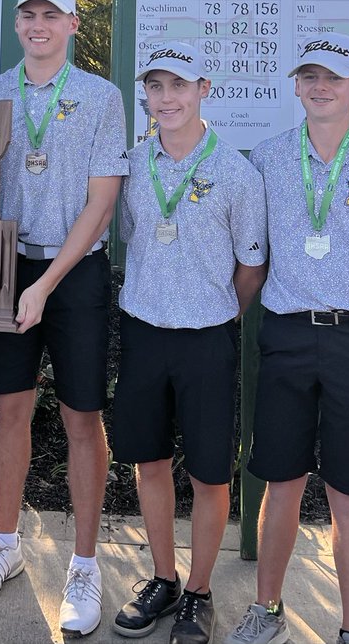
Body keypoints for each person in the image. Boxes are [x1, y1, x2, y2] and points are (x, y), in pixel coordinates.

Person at [224, 33, 349, 644]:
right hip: (285, 335)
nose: (321, 86)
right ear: (296, 86)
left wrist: (347, 294)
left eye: (335, 77)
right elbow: (252, 252)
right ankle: (267, 610)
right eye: (309, 76)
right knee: (281, 481)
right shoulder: (268, 158)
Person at [0, 0, 128, 638]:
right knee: (10, 409)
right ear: (18, 22)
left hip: (73, 272)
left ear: (72, 24)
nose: (38, 24)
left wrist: (45, 283)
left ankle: (83, 564)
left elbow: (102, 201)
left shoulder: (100, 97)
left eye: (50, 14)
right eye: (28, 13)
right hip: (5, 265)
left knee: (83, 417)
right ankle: (6, 542)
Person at [111, 42, 267, 644]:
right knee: (149, 462)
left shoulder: (236, 172)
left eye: (179, 85)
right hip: (144, 332)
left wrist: (215, 313)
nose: (167, 97)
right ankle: (164, 577)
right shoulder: (132, 163)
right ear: (145, 94)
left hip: (207, 338)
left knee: (208, 474)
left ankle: (199, 592)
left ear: (204, 88)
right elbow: (130, 239)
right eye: (156, 86)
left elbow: (250, 266)